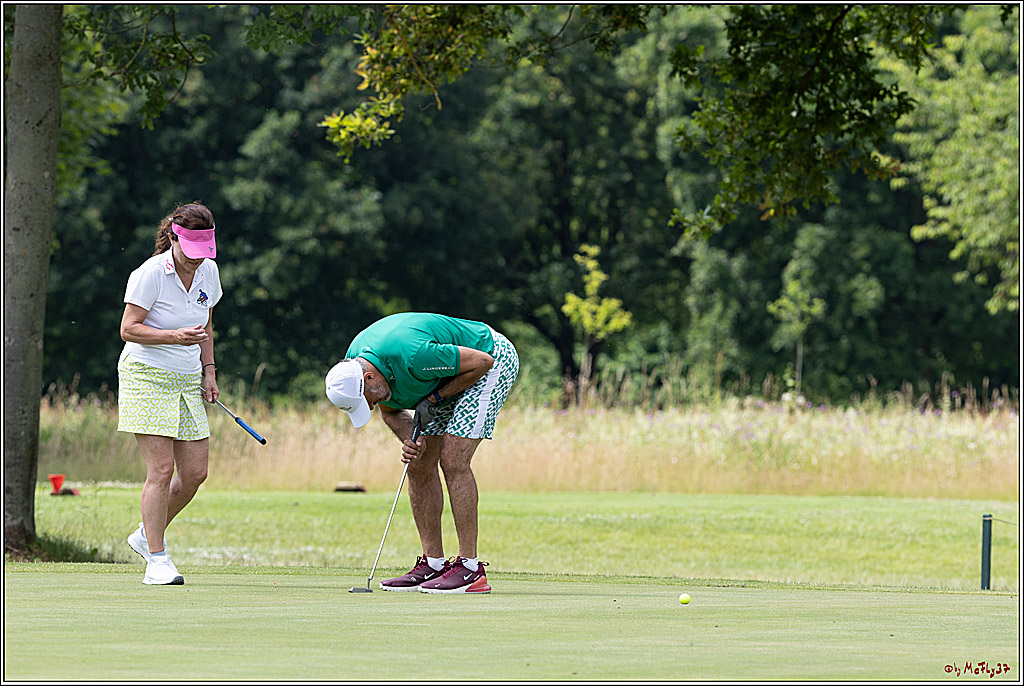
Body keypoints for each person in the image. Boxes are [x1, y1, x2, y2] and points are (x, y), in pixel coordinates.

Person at [325, 312, 519, 594]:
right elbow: (391, 411)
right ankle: (435, 563)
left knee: (453, 458)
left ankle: (470, 569)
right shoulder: (354, 367)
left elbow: (481, 362)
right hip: (447, 373)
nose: (371, 404)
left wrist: (435, 398)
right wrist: (411, 440)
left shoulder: (414, 355)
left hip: (490, 358)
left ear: (369, 377)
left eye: (367, 399)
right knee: (419, 464)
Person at [117, 203, 222, 585]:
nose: (197, 261)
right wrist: (174, 337)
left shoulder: (208, 270)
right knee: (161, 470)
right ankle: (157, 560)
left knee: (195, 473)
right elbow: (129, 328)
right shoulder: (149, 274)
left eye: (203, 253)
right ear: (174, 237)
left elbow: (206, 320)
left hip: (187, 376)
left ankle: (146, 535)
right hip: (145, 375)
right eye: (191, 253)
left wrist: (209, 371)